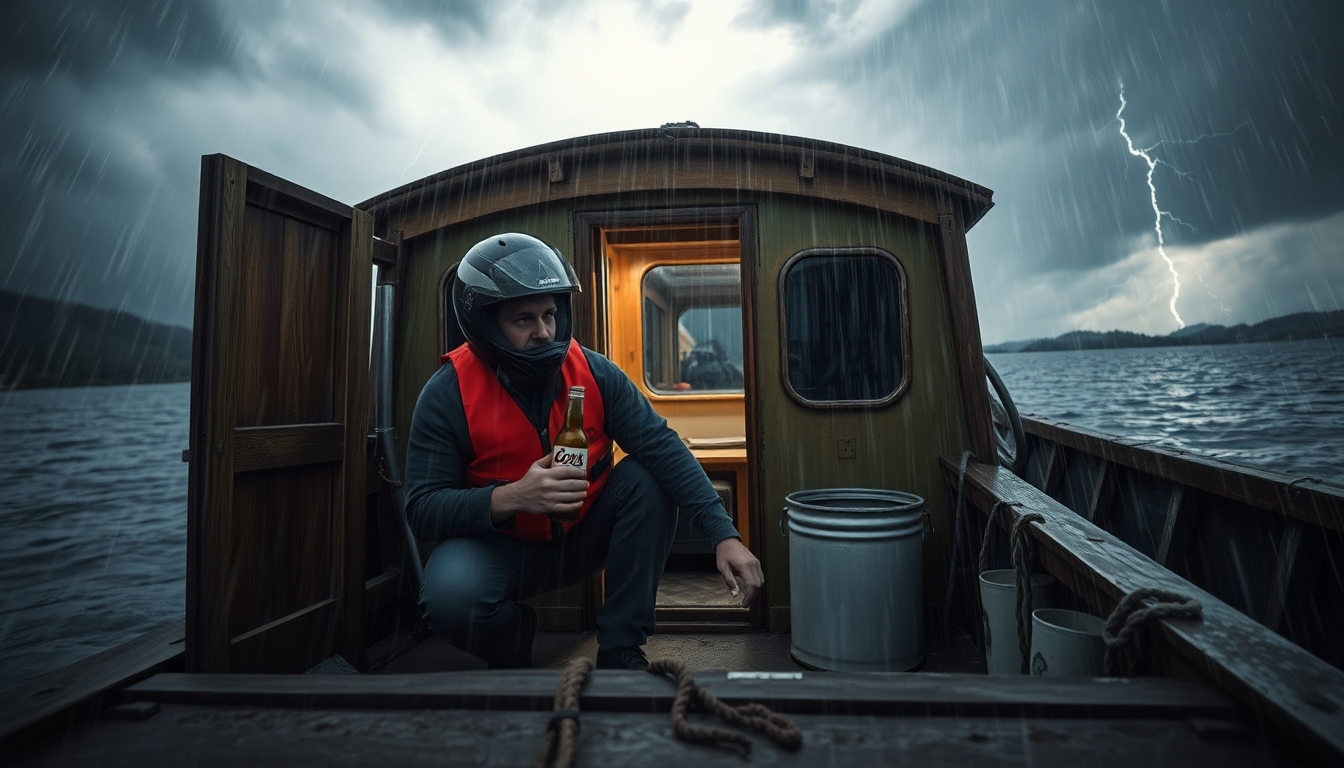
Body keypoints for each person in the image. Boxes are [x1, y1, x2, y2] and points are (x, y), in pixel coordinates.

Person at [405, 233, 763, 671]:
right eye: (524, 320)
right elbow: (422, 509)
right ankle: (513, 641)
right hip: (502, 550)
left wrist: (724, 535)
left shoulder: (594, 372)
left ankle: (620, 648)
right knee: (448, 598)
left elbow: (661, 445)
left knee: (648, 476)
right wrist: (515, 497)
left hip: (584, 540)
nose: (544, 332)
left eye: (550, 315)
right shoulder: (446, 394)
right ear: (485, 325)